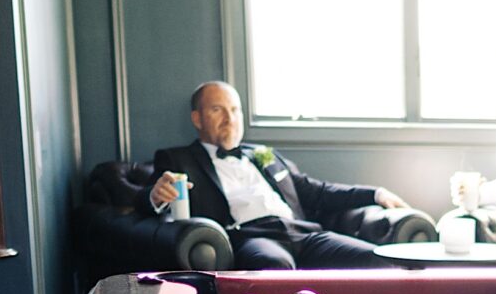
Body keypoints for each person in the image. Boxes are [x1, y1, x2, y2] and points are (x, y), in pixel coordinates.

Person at [147, 81, 407, 269]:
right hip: (252, 237)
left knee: (378, 259)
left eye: (235, 110)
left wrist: (375, 193)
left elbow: (316, 191)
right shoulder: (177, 159)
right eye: (217, 110)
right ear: (197, 118)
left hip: (303, 233)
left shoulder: (264, 154)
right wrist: (158, 196)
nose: (230, 118)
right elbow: (147, 202)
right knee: (275, 267)